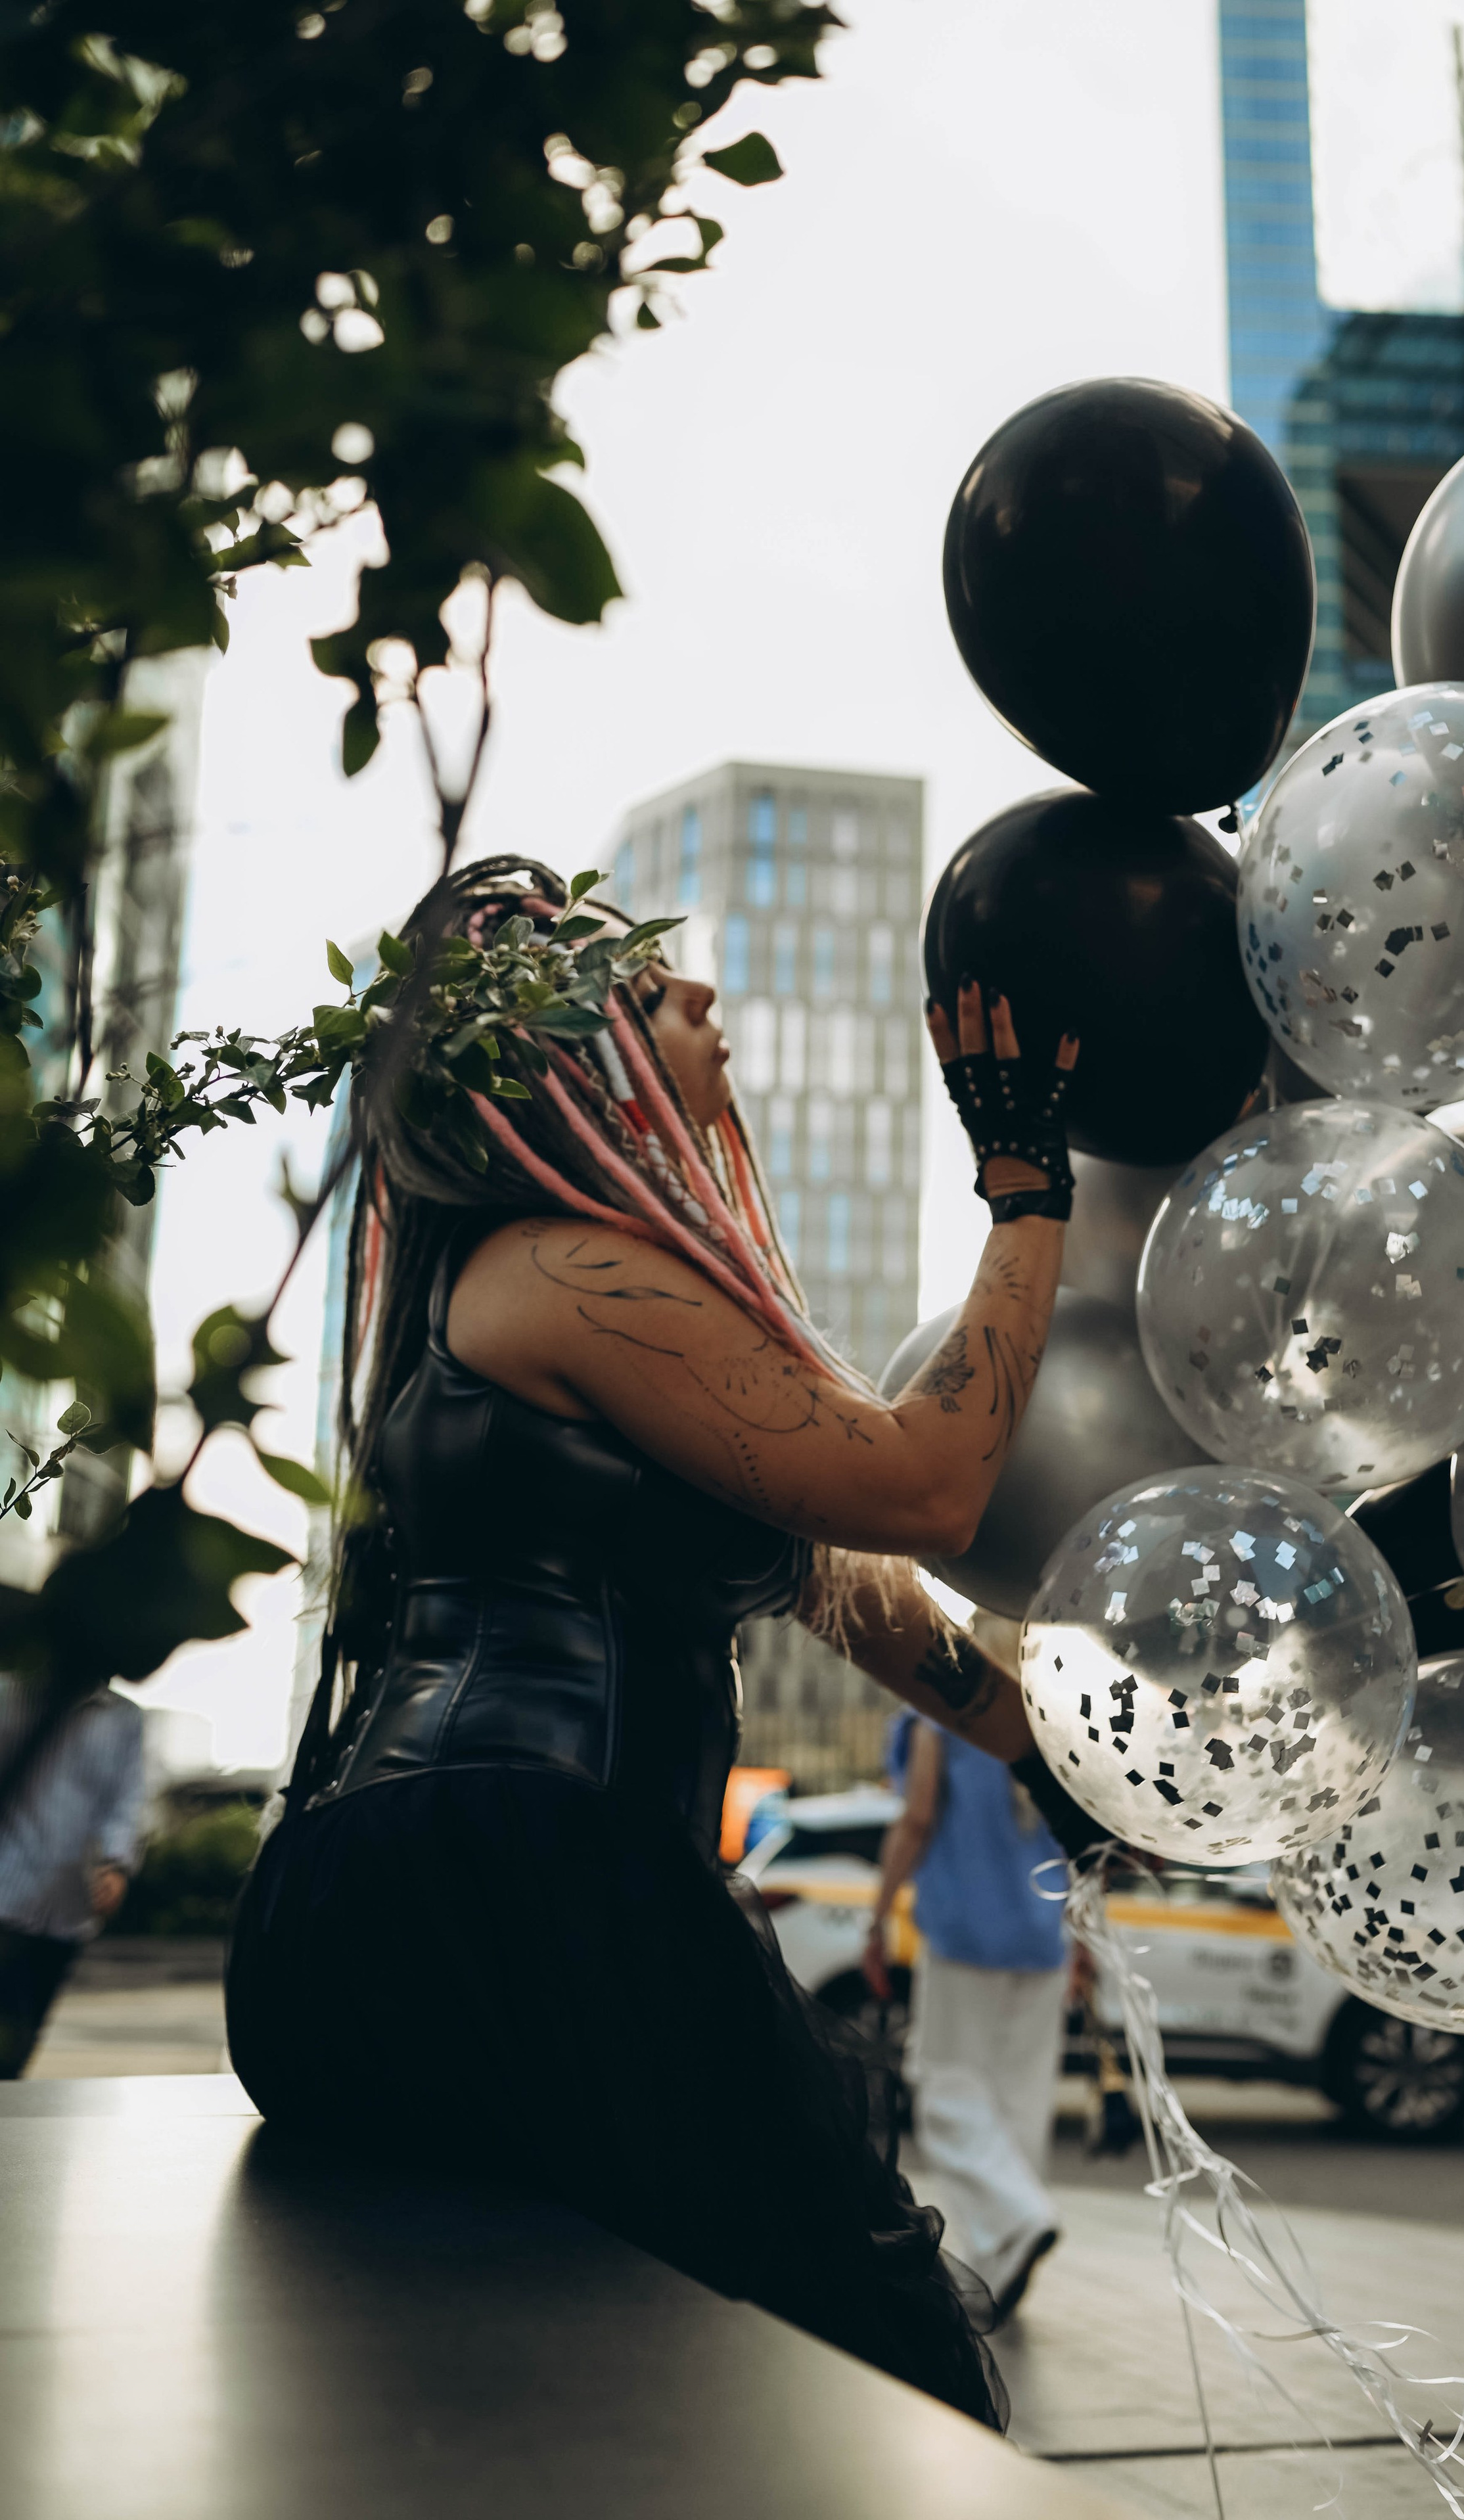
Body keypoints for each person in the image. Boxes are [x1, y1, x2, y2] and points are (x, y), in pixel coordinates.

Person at [225, 856, 1107, 2431]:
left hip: (475, 1877)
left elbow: (841, 1581)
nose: (695, 992)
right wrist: (1027, 1190)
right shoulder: (572, 1272)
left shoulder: (526, 1289)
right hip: (520, 1891)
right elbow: (922, 1485)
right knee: (789, 2394)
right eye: (641, 990)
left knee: (574, 2406)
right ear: (562, 1064)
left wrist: (1036, 1748)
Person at [870, 1709, 1068, 2319]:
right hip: (1045, 1937)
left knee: (946, 2088)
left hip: (966, 1932)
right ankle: (999, 2260)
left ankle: (1020, 2220)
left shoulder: (941, 1711)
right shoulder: (1049, 1710)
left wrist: (877, 1917)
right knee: (1019, 2100)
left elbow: (918, 1817)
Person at [0, 1678, 147, 2076]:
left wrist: (116, 1863)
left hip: (67, 1903)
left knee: (25, 2035)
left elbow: (127, 1799)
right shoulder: (10, 1696)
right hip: (5, 1896)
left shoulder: (123, 1717)